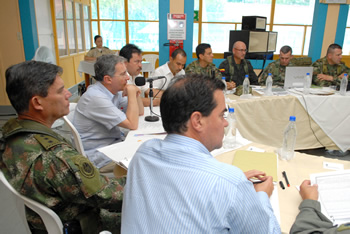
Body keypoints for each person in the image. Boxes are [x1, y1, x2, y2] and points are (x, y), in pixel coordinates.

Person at [121, 74, 280, 233]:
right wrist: (261, 196)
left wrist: (230, 185)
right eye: (221, 115)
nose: (225, 123)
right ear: (197, 121)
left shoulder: (143, 153)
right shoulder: (229, 181)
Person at [0, 60, 125, 234]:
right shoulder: (56, 157)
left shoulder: (10, 134)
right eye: (60, 91)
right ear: (37, 102)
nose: (68, 94)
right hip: (84, 223)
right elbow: (114, 196)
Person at [73, 55, 144, 172]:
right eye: (122, 74)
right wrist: (131, 92)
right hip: (98, 155)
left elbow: (140, 112)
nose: (127, 78)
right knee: (145, 159)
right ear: (108, 79)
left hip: (113, 143)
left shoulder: (114, 91)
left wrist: (135, 92)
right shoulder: (95, 97)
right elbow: (132, 124)